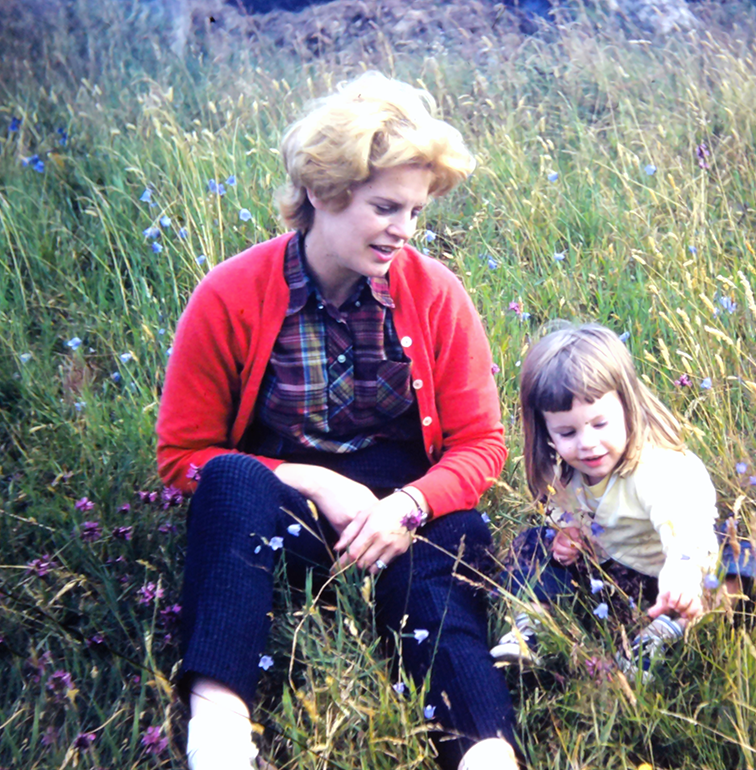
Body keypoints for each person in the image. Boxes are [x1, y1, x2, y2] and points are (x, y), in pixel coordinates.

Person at [156, 72, 518, 770]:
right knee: (230, 482)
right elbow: (183, 458)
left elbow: (480, 442)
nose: (403, 232)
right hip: (284, 507)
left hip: (403, 513)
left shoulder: (436, 295)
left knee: (456, 542)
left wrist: (408, 506)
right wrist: (314, 481)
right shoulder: (229, 294)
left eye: (414, 211)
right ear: (324, 193)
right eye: (385, 207)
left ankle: (484, 753)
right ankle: (219, 732)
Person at [492, 323, 756, 681]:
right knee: (533, 543)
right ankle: (532, 627)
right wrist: (569, 533)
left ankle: (666, 632)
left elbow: (683, 522)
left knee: (744, 560)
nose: (587, 443)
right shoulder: (568, 469)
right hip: (611, 580)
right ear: (546, 433)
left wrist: (682, 568)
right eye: (568, 432)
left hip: (673, 580)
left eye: (600, 423)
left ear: (628, 407)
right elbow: (567, 510)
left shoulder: (656, 467)